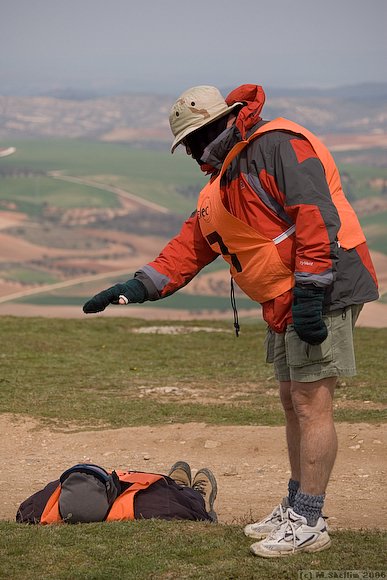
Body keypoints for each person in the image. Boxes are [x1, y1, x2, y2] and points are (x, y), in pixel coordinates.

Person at [82, 84, 379, 557]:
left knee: (310, 402)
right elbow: (189, 248)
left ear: (216, 125)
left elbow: (315, 216)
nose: (193, 153)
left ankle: (309, 519)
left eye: (194, 141)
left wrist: (311, 292)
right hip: (285, 296)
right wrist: (133, 288)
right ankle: (295, 504)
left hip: (325, 282)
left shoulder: (279, 144)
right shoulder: (220, 184)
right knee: (291, 400)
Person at [16, 460, 218, 524]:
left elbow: (22, 513)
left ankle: (179, 486)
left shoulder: (40, 506)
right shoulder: (155, 504)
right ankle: (191, 490)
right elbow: (198, 516)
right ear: (112, 493)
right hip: (173, 498)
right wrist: (187, 495)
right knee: (180, 494)